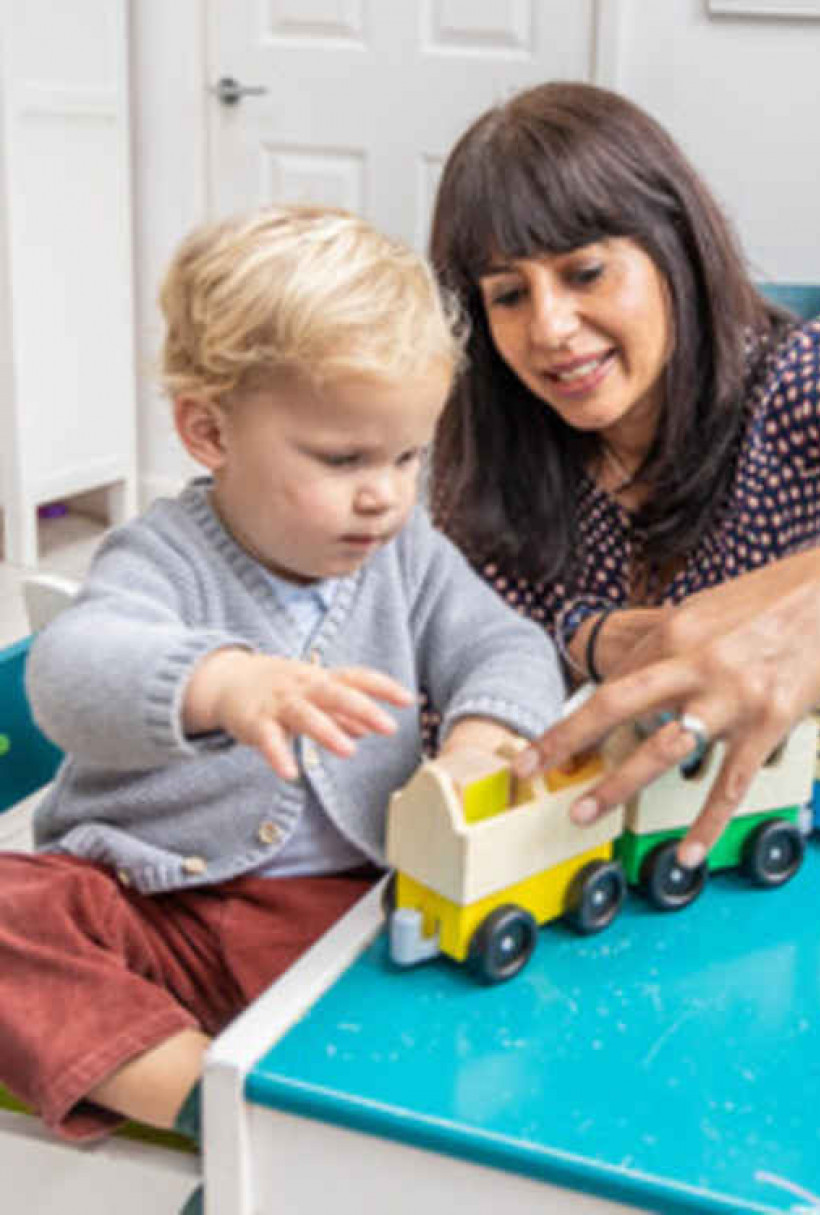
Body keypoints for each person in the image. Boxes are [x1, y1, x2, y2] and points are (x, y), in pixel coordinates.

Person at [0, 205, 563, 1168]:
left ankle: (305, 1107)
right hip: (147, 898)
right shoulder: (161, 555)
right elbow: (69, 669)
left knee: (467, 993)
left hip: (335, 911)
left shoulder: (407, 556)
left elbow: (506, 645)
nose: (383, 492)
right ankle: (202, 1100)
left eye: (405, 456)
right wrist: (220, 683)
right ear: (209, 430)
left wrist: (478, 737)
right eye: (342, 459)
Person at [429, 81, 820, 869]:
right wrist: (586, 639)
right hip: (596, 854)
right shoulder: (491, 450)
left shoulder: (799, 379)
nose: (549, 329)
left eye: (585, 272)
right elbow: (460, 652)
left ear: (672, 247)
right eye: (508, 294)